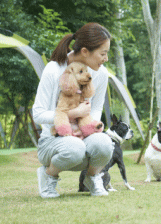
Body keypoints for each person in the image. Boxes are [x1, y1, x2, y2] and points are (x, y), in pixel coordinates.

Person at [33, 22, 114, 198]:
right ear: (85, 51)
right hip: (52, 141)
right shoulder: (54, 70)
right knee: (75, 148)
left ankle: (92, 177)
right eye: (103, 53)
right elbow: (38, 114)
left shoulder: (100, 73)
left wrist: (86, 130)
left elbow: (96, 108)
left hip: (82, 137)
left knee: (105, 143)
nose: (105, 58)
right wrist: (72, 114)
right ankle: (48, 176)